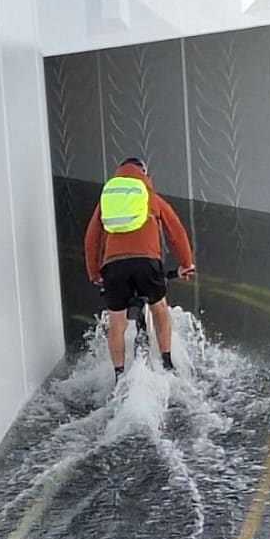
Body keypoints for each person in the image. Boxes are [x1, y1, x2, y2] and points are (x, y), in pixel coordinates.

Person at [83, 157, 195, 381]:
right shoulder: (150, 197)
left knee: (117, 319)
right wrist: (186, 263)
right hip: (146, 262)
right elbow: (176, 231)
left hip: (114, 266)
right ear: (144, 174)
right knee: (159, 306)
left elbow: (91, 238)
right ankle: (167, 361)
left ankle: (118, 374)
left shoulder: (106, 200)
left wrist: (94, 273)